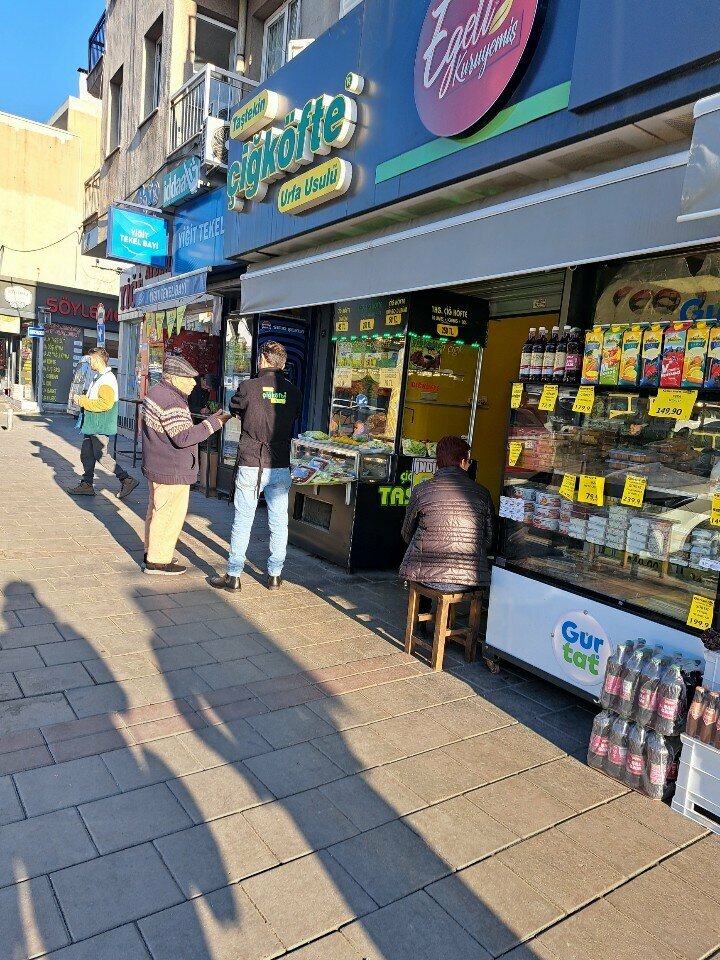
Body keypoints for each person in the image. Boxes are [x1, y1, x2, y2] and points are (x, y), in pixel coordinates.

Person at [210, 341, 302, 593]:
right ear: (282, 364)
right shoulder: (293, 392)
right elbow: (292, 416)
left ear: (263, 360)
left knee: (243, 520)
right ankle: (275, 574)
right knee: (279, 521)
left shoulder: (249, 387)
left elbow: (235, 408)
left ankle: (234, 575)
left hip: (252, 461)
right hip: (281, 462)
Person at [142, 356, 229, 575]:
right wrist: (213, 424)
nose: (193, 383)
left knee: (157, 511)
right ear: (172, 378)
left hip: (159, 464)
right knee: (169, 514)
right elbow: (183, 437)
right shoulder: (171, 401)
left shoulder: (156, 392)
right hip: (171, 467)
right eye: (187, 379)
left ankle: (152, 552)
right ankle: (158, 561)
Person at [399, 436, 495, 595]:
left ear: (438, 462)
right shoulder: (483, 493)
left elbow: (406, 532)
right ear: (464, 462)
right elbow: (488, 540)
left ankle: (421, 618)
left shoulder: (421, 490)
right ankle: (448, 619)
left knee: (422, 545)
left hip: (426, 575)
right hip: (469, 577)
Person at [69, 347, 139, 500]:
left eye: (91, 359)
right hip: (93, 424)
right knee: (86, 454)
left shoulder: (107, 379)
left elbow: (105, 404)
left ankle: (127, 479)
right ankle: (86, 484)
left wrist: (82, 401)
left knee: (101, 456)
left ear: (98, 359)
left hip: (99, 425)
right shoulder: (100, 377)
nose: (89, 362)